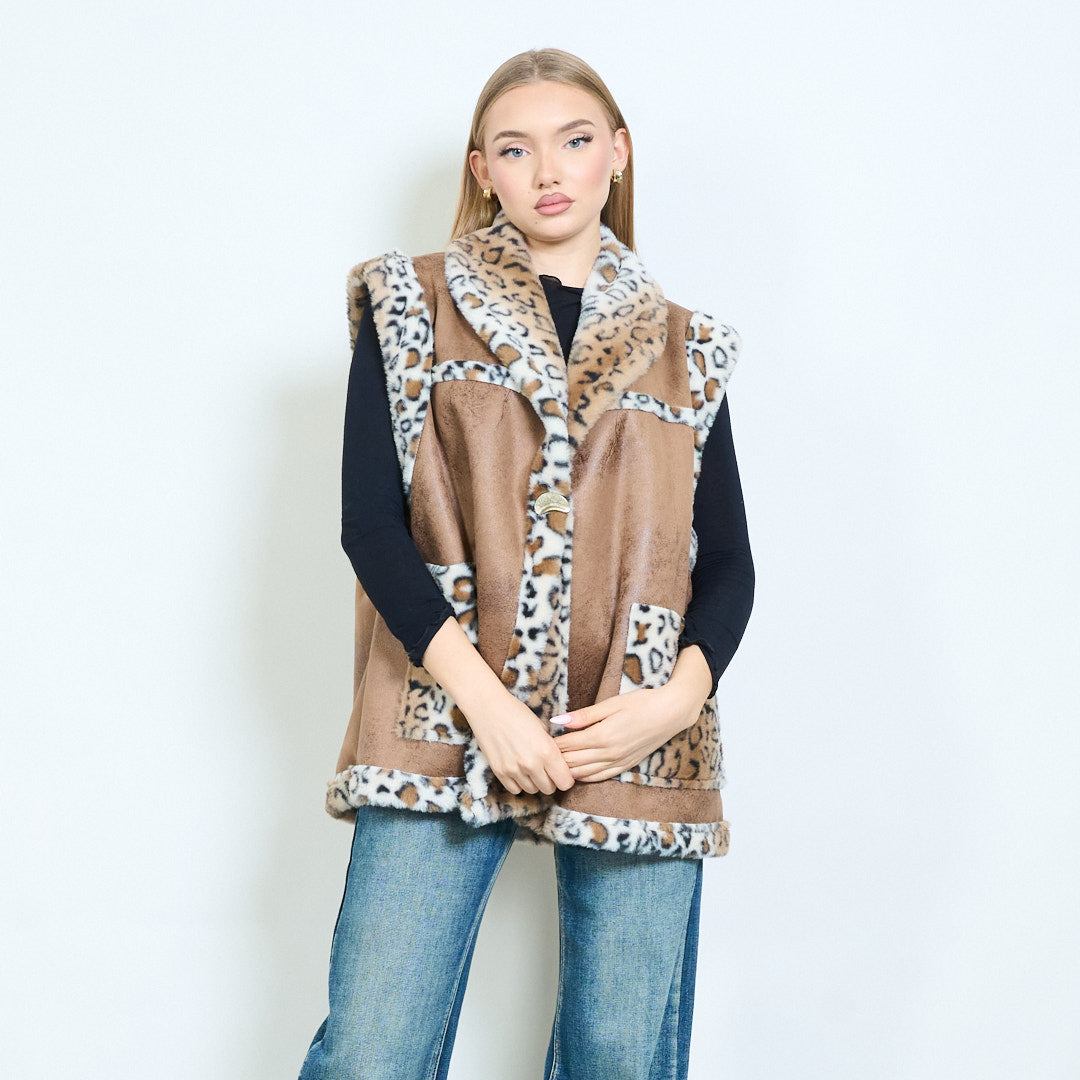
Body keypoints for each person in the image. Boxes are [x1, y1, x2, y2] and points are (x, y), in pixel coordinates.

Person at [298, 47, 754, 1080]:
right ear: (482, 170)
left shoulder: (689, 349)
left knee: (622, 1059)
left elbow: (728, 562)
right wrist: (489, 708)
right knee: (373, 1050)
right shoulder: (410, 305)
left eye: (574, 140)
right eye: (515, 148)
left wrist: (674, 702)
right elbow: (371, 526)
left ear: (617, 154)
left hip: (635, 724)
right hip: (443, 709)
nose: (548, 170)